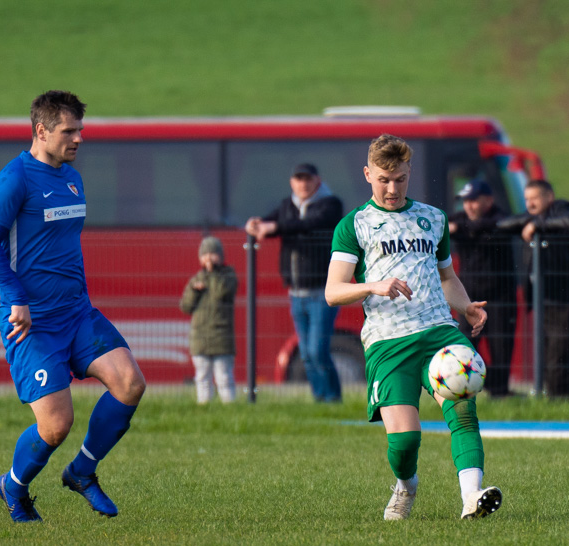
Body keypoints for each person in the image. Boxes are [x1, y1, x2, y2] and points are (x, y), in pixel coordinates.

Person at [0, 91, 146, 522]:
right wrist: (16, 297)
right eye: (69, 131)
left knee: (129, 383)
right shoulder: (15, 179)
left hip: (77, 312)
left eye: (80, 131)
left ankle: (82, 472)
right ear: (42, 131)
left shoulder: (71, 177)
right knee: (55, 427)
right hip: (31, 322)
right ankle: (13, 487)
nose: (78, 139)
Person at [325, 134, 501, 521]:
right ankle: (406, 486)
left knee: (463, 413)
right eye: (384, 179)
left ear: (410, 174)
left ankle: (471, 497)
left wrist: (467, 306)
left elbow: (447, 277)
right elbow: (333, 292)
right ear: (368, 174)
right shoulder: (354, 225)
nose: (392, 188)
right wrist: (373, 285)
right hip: (388, 342)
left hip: (439, 331)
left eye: (400, 179)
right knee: (405, 441)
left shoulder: (433, 218)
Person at [245, 163, 343, 402]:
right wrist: (255, 224)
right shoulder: (286, 206)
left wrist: (276, 227)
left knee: (317, 350)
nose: (303, 184)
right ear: (292, 182)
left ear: (317, 181)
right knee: (307, 355)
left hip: (322, 292)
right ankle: (321, 400)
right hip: (296, 293)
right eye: (298, 179)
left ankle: (333, 399)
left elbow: (309, 224)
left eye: (307, 179)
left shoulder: (330, 204)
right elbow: (270, 223)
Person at [497, 179, 569, 399]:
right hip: (544, 300)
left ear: (549, 197)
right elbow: (504, 224)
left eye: (534, 199)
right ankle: (563, 402)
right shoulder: (532, 216)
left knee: (557, 362)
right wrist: (530, 222)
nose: (529, 204)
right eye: (527, 199)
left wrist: (536, 226)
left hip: (568, 299)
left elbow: (568, 222)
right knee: (548, 363)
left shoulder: (564, 209)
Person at [449, 180, 518, 398]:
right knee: (466, 345)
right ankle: (474, 385)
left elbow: (496, 225)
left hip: (499, 297)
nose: (468, 206)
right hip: (470, 299)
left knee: (501, 347)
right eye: (465, 201)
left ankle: (500, 393)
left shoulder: (500, 218)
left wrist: (461, 229)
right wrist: (459, 227)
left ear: (488, 200)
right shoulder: (460, 219)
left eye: (473, 201)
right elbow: (445, 224)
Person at [180, 236, 238, 404]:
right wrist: (194, 290)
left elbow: (221, 293)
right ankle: (204, 406)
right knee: (203, 376)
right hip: (200, 337)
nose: (209, 258)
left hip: (221, 336)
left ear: (221, 256)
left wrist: (212, 274)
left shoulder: (228, 276)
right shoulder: (196, 280)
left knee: (223, 375)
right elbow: (185, 306)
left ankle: (229, 406)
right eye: (205, 254)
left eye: (213, 254)